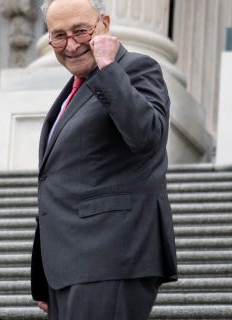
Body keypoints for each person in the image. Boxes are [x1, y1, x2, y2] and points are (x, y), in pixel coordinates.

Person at [30, 0, 178, 319]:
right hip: (72, 267)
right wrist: (48, 277)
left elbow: (148, 136)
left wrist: (109, 67)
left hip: (112, 255)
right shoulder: (74, 88)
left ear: (105, 25)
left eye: (80, 31)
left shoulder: (136, 68)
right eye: (58, 35)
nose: (70, 45)